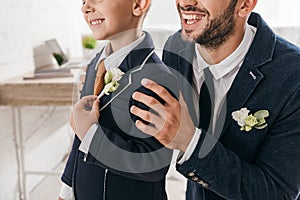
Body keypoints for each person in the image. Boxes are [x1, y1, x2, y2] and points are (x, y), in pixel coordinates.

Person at [130, 0, 300, 199]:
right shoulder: (176, 48)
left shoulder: (293, 77)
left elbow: (278, 193)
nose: (185, 3)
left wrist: (190, 142)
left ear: (245, 4)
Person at [58, 0, 179, 199]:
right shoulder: (95, 64)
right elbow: (80, 138)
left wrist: (92, 134)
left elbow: (153, 165)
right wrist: (67, 189)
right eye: (83, 1)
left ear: (138, 5)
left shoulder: (157, 78)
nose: (85, 7)